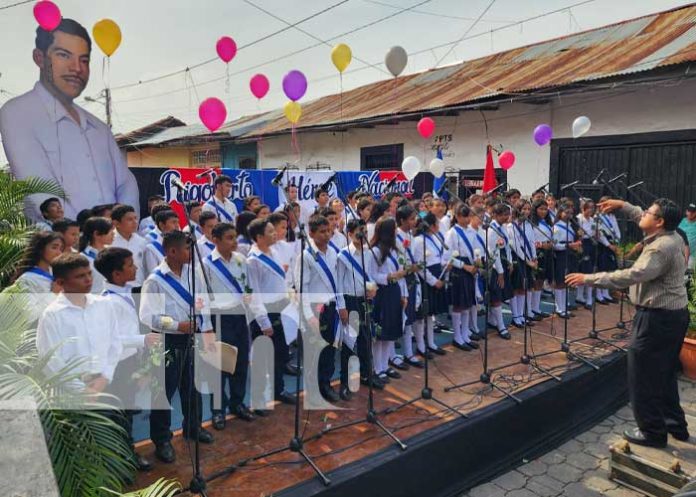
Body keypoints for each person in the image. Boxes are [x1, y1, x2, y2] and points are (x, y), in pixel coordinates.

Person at [566, 198, 689, 448]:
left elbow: (631, 275)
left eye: (648, 213)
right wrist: (622, 204)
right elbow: (639, 216)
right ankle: (675, 425)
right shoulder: (671, 234)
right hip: (673, 315)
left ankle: (653, 432)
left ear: (659, 221)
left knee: (642, 375)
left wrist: (589, 278)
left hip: (657, 319)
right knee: (664, 372)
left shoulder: (660, 248)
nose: (642, 214)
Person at [0, 19, 139, 222]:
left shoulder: (99, 128)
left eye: (84, 60)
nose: (77, 68)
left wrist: (121, 231)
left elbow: (127, 184)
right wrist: (85, 236)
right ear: (39, 58)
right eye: (64, 55)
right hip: (62, 246)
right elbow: (40, 192)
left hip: (114, 245)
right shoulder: (17, 113)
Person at [139, 231, 216, 463]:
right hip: (168, 341)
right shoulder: (155, 281)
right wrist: (176, 325)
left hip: (192, 337)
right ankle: (162, 439)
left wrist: (207, 328)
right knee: (164, 392)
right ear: (172, 251)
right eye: (186, 249)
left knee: (192, 387)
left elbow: (202, 303)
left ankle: (193, 426)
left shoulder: (194, 274)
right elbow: (147, 316)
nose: (191, 253)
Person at [94, 247, 159, 471]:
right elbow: (113, 338)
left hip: (128, 360)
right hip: (119, 365)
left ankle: (125, 453)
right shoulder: (109, 302)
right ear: (116, 274)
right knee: (120, 413)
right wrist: (143, 340)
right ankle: (123, 457)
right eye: (130, 265)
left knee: (127, 410)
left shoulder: (122, 293)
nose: (136, 267)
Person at [37, 253, 122, 393]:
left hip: (105, 384)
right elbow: (50, 359)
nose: (88, 280)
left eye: (89, 274)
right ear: (60, 282)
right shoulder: (52, 314)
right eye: (80, 276)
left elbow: (115, 344)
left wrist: (105, 378)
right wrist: (81, 390)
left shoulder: (104, 304)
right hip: (70, 391)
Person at [202, 223, 257, 427]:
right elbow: (202, 298)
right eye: (229, 238)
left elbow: (247, 285)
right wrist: (207, 327)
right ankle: (218, 410)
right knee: (220, 367)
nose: (234, 241)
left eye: (235, 237)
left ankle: (238, 402)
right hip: (220, 317)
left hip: (239, 316)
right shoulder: (207, 264)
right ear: (215, 239)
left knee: (240, 363)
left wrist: (248, 297)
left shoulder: (241, 260)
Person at [298, 215, 349, 402]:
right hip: (314, 308)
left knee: (329, 348)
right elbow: (302, 288)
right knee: (314, 350)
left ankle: (325, 384)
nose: (327, 235)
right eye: (322, 231)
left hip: (331, 307)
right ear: (311, 233)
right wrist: (308, 315)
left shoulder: (333, 253)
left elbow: (338, 283)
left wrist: (341, 306)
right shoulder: (306, 256)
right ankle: (313, 388)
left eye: (328, 231)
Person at [246, 219, 297, 406]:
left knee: (280, 353)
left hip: (280, 308)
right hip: (265, 313)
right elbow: (253, 294)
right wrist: (263, 321)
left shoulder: (274, 252)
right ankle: (258, 399)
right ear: (259, 237)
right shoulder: (253, 261)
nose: (275, 233)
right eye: (270, 231)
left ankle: (278, 389)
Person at [337, 219, 382, 394]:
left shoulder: (368, 253)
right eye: (358, 233)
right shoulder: (343, 255)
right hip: (350, 300)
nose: (362, 235)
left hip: (365, 300)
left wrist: (373, 288)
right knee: (349, 342)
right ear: (349, 234)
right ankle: (344, 381)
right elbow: (339, 283)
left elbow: (370, 275)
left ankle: (366, 374)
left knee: (366, 338)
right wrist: (342, 307)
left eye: (364, 232)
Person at [370, 217, 409, 383]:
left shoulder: (396, 248)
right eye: (393, 229)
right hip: (381, 293)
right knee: (380, 334)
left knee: (390, 332)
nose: (396, 231)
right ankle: (376, 367)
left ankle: (385, 365)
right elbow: (372, 275)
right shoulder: (376, 251)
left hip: (394, 291)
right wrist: (389, 276)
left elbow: (402, 272)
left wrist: (403, 294)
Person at [445, 204, 480, 350]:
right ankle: (457, 337)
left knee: (468, 304)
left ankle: (465, 334)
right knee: (459, 304)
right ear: (457, 217)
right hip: (460, 269)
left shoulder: (472, 232)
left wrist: (477, 262)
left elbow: (477, 250)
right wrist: (465, 266)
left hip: (471, 268)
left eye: (468, 216)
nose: (467, 219)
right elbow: (448, 257)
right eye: (464, 216)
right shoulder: (452, 233)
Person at [10, 231, 64, 322]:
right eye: (54, 247)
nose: (58, 253)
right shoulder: (26, 279)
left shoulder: (58, 275)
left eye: (61, 249)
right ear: (40, 249)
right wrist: (53, 294)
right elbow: (30, 315)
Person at [395, 205, 424, 368]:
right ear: (402, 220)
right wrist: (408, 268)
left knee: (410, 316)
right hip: (401, 279)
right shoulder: (396, 237)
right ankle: (397, 354)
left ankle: (409, 352)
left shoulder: (410, 235)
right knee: (402, 317)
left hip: (412, 278)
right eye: (411, 219)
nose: (415, 221)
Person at [508, 200, 538, 327]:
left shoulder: (528, 225)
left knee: (523, 288)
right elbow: (515, 246)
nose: (526, 212)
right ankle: (515, 316)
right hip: (518, 259)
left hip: (529, 259)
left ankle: (521, 315)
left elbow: (532, 242)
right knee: (516, 288)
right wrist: (527, 261)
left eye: (528, 209)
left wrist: (534, 257)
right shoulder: (511, 226)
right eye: (523, 209)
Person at [486, 204, 513, 339]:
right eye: (504, 215)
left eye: (508, 214)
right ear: (496, 215)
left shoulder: (503, 227)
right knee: (496, 295)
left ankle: (492, 319)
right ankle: (501, 326)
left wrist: (509, 261)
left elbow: (507, 246)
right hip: (495, 266)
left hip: (503, 262)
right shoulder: (491, 230)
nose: (506, 217)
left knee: (501, 294)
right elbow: (493, 252)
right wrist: (500, 272)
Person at [552, 205, 582, 318]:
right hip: (561, 255)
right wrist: (569, 245)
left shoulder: (571, 225)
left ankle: (565, 306)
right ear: (560, 213)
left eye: (571, 213)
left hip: (570, 254)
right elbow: (555, 245)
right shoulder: (557, 227)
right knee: (560, 282)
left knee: (566, 282)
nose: (569, 215)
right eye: (566, 212)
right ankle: (559, 308)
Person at [110, 204, 148, 289]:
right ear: (116, 223)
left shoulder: (142, 242)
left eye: (135, 218)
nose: (135, 222)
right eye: (129, 219)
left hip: (139, 288)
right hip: (117, 290)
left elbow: (146, 268)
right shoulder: (108, 242)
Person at [530, 199, 553, 319]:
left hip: (547, 252)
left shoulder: (547, 222)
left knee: (540, 281)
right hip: (536, 252)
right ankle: (530, 309)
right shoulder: (532, 223)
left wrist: (550, 243)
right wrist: (541, 245)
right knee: (534, 281)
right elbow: (530, 240)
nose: (543, 211)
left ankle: (536, 308)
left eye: (545, 209)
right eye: (541, 209)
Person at [79, 216, 114, 294]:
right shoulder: (83, 258)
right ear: (96, 234)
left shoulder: (112, 252)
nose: (113, 234)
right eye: (109, 232)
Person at [679, 203, 696, 269]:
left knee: (688, 277)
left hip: (692, 256)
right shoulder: (682, 221)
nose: (690, 213)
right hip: (679, 254)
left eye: (693, 212)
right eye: (689, 211)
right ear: (686, 211)